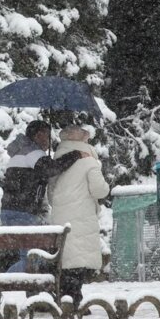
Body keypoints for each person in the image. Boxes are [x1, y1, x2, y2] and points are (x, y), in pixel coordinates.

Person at [45, 125, 110, 304]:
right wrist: (107, 186)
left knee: (67, 259)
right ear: (82, 140)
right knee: (79, 262)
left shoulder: (58, 161)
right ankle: (74, 299)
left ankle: (64, 296)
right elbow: (100, 191)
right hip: (82, 217)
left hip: (61, 217)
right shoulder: (89, 161)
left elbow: (50, 194)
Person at [0, 120, 84, 227]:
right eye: (47, 135)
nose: (49, 140)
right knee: (28, 243)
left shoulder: (20, 152)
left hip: (9, 210)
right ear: (38, 135)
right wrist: (76, 154)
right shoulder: (31, 152)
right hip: (23, 212)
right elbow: (52, 168)